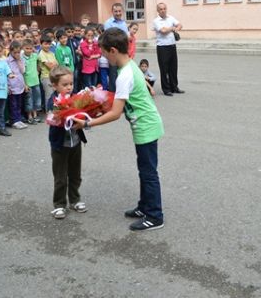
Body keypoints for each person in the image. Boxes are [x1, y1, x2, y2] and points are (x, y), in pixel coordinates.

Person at [72, 28, 165, 231]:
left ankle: (155, 216)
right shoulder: (129, 66)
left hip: (145, 127)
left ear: (113, 50)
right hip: (145, 124)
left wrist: (87, 123)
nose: (103, 57)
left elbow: (115, 113)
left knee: (149, 173)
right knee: (144, 170)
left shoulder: (124, 76)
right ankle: (144, 206)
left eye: (104, 52)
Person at [48, 65, 88, 219]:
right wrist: (60, 113)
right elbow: (52, 118)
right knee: (60, 176)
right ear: (54, 85)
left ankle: (75, 199)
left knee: (75, 174)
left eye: (71, 84)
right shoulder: (53, 101)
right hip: (60, 145)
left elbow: (83, 113)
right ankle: (59, 204)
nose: (69, 87)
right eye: (65, 85)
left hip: (75, 143)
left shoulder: (75, 97)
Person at [152, 3, 184, 96]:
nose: (163, 10)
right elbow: (163, 31)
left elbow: (180, 25)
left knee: (173, 68)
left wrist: (175, 28)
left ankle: (174, 87)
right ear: (158, 11)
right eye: (161, 9)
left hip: (172, 46)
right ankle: (166, 89)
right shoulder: (156, 21)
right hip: (162, 47)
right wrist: (172, 28)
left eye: (164, 8)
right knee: (164, 69)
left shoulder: (170, 18)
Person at [103, 3, 128, 92]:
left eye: (119, 11)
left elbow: (126, 38)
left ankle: (122, 92)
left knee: (123, 73)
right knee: (113, 74)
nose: (118, 13)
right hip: (113, 53)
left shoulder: (124, 23)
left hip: (123, 53)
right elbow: (109, 38)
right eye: (115, 11)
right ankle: (113, 94)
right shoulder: (108, 23)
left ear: (122, 11)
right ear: (112, 12)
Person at [7, 41, 27, 129]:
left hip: (20, 85)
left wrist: (19, 60)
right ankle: (14, 120)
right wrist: (7, 86)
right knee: (13, 104)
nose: (17, 54)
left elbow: (23, 71)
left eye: (18, 52)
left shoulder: (21, 59)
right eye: (15, 52)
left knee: (19, 104)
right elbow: (6, 74)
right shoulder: (7, 61)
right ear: (11, 51)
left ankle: (19, 119)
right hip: (12, 86)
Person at [22, 39, 41, 124]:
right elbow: (22, 72)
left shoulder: (35, 55)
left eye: (30, 48)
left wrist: (38, 69)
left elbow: (39, 61)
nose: (29, 50)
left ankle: (35, 115)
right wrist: (25, 84)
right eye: (27, 48)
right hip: (28, 82)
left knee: (36, 98)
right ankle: (29, 116)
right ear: (23, 48)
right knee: (29, 100)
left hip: (36, 81)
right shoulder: (21, 57)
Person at [38, 36, 58, 103]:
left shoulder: (52, 53)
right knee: (49, 96)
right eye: (45, 44)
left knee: (55, 96)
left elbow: (57, 64)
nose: (47, 46)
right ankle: (48, 112)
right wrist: (52, 64)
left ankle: (54, 111)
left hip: (53, 77)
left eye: (49, 44)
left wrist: (52, 64)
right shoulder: (41, 54)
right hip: (46, 77)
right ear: (41, 44)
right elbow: (50, 66)